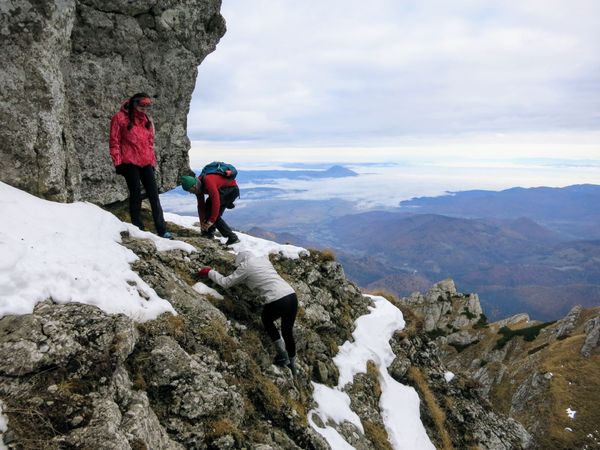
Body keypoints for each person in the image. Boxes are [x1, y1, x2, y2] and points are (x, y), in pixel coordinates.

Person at [198, 251, 298, 375]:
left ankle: (283, 354)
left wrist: (210, 272)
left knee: (266, 319)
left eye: (238, 265)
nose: (238, 268)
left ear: (241, 261)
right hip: (292, 296)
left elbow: (226, 283)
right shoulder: (263, 260)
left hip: (277, 299)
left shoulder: (245, 266)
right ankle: (293, 365)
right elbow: (259, 277)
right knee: (287, 331)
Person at [109, 92, 172, 239]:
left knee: (153, 195)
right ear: (134, 103)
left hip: (146, 162)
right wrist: (118, 162)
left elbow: (150, 143)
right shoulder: (119, 118)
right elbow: (114, 141)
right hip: (129, 162)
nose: (145, 108)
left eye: (148, 106)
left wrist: (152, 161)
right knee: (135, 194)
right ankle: (138, 227)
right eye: (142, 105)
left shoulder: (147, 120)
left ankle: (162, 230)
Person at [180, 174, 239, 245]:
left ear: (194, 186)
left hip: (231, 190)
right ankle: (208, 233)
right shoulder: (197, 188)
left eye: (190, 190)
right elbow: (201, 206)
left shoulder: (208, 181)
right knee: (210, 212)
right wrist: (202, 222)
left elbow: (216, 203)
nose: (190, 192)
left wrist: (211, 220)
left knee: (212, 213)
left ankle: (232, 237)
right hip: (222, 191)